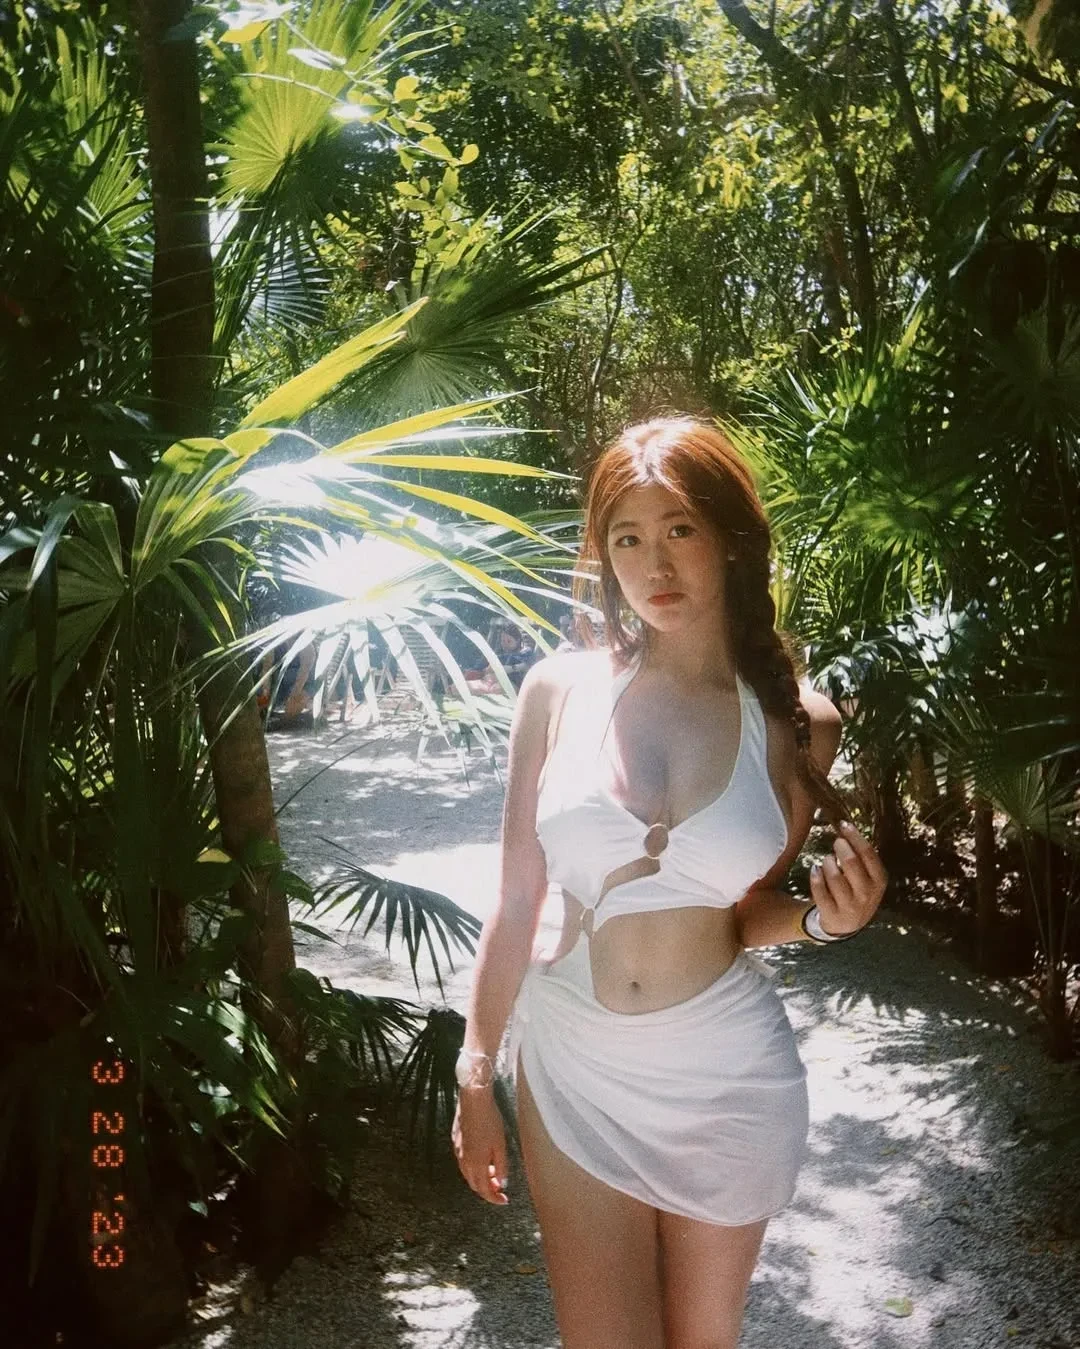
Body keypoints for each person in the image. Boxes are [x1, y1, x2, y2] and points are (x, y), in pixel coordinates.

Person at [451, 417, 888, 1349]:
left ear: (730, 538)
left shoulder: (798, 722)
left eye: (680, 528)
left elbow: (740, 913)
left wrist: (825, 920)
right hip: (574, 1064)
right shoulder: (557, 691)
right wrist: (475, 1069)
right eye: (628, 538)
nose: (655, 564)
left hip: (725, 1075)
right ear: (604, 555)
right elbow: (518, 901)